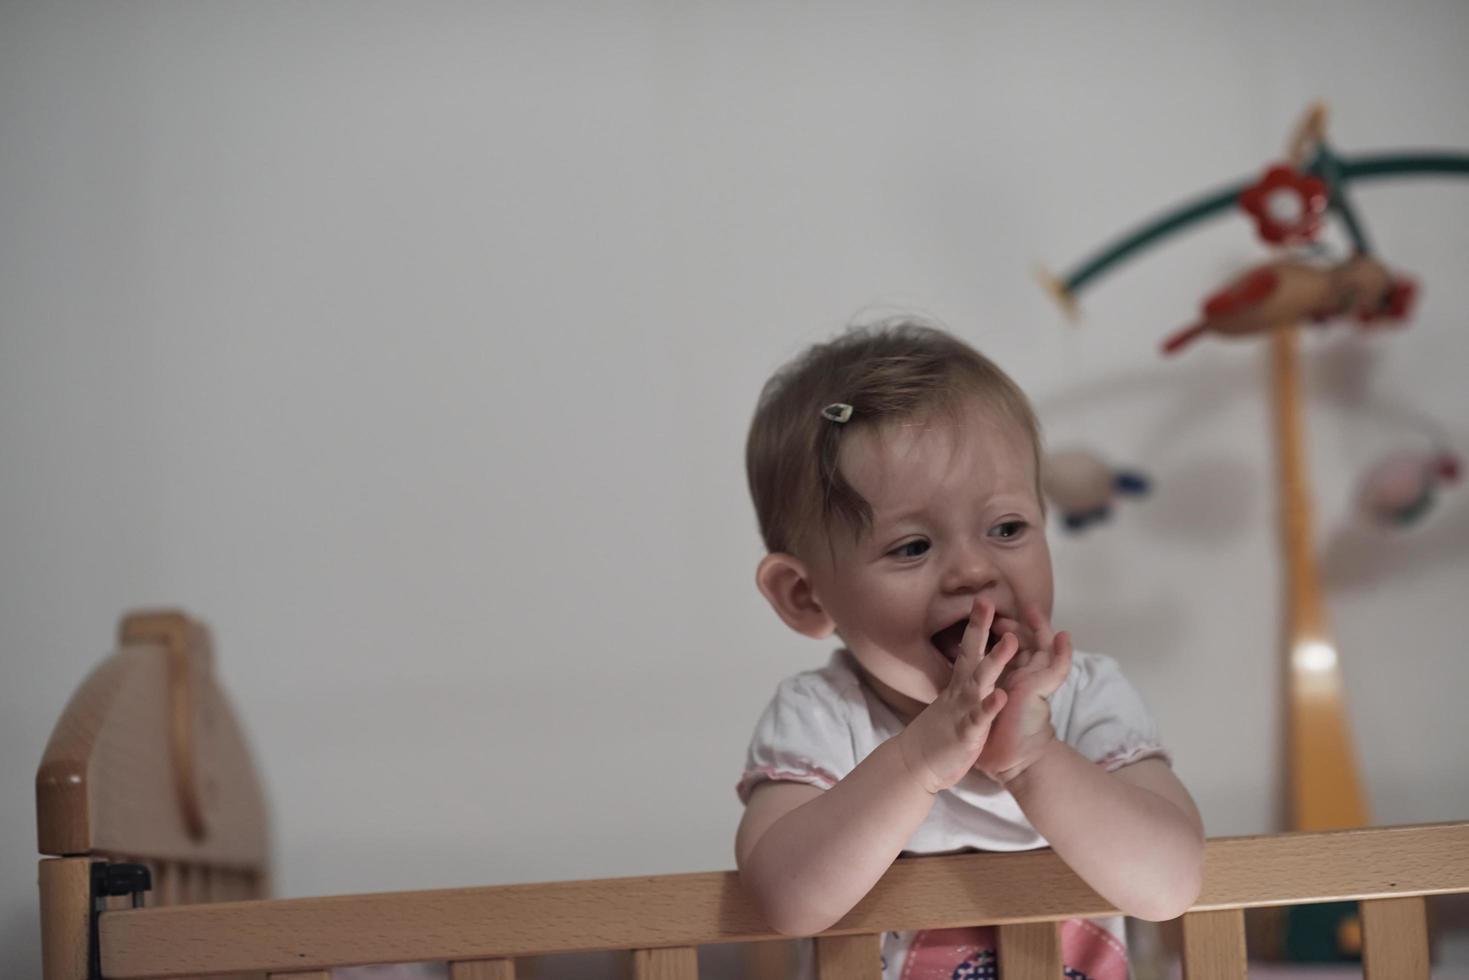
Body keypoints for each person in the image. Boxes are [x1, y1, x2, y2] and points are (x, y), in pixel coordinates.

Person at [736, 320, 1204, 979]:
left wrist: (1033, 759)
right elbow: (785, 899)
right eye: (912, 547)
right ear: (805, 596)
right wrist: (915, 762)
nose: (972, 571)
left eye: (1006, 527)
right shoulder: (823, 717)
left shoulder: (1086, 698)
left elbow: (1170, 883)